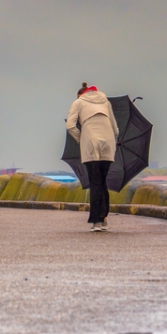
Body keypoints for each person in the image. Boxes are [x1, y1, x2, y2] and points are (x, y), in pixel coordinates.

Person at [66, 82, 120, 232]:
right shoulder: (105, 102)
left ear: (81, 94)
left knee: (95, 181)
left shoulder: (78, 102)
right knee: (103, 181)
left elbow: (70, 125)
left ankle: (96, 220)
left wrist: (80, 138)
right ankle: (103, 219)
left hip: (90, 142)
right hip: (108, 142)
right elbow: (115, 128)